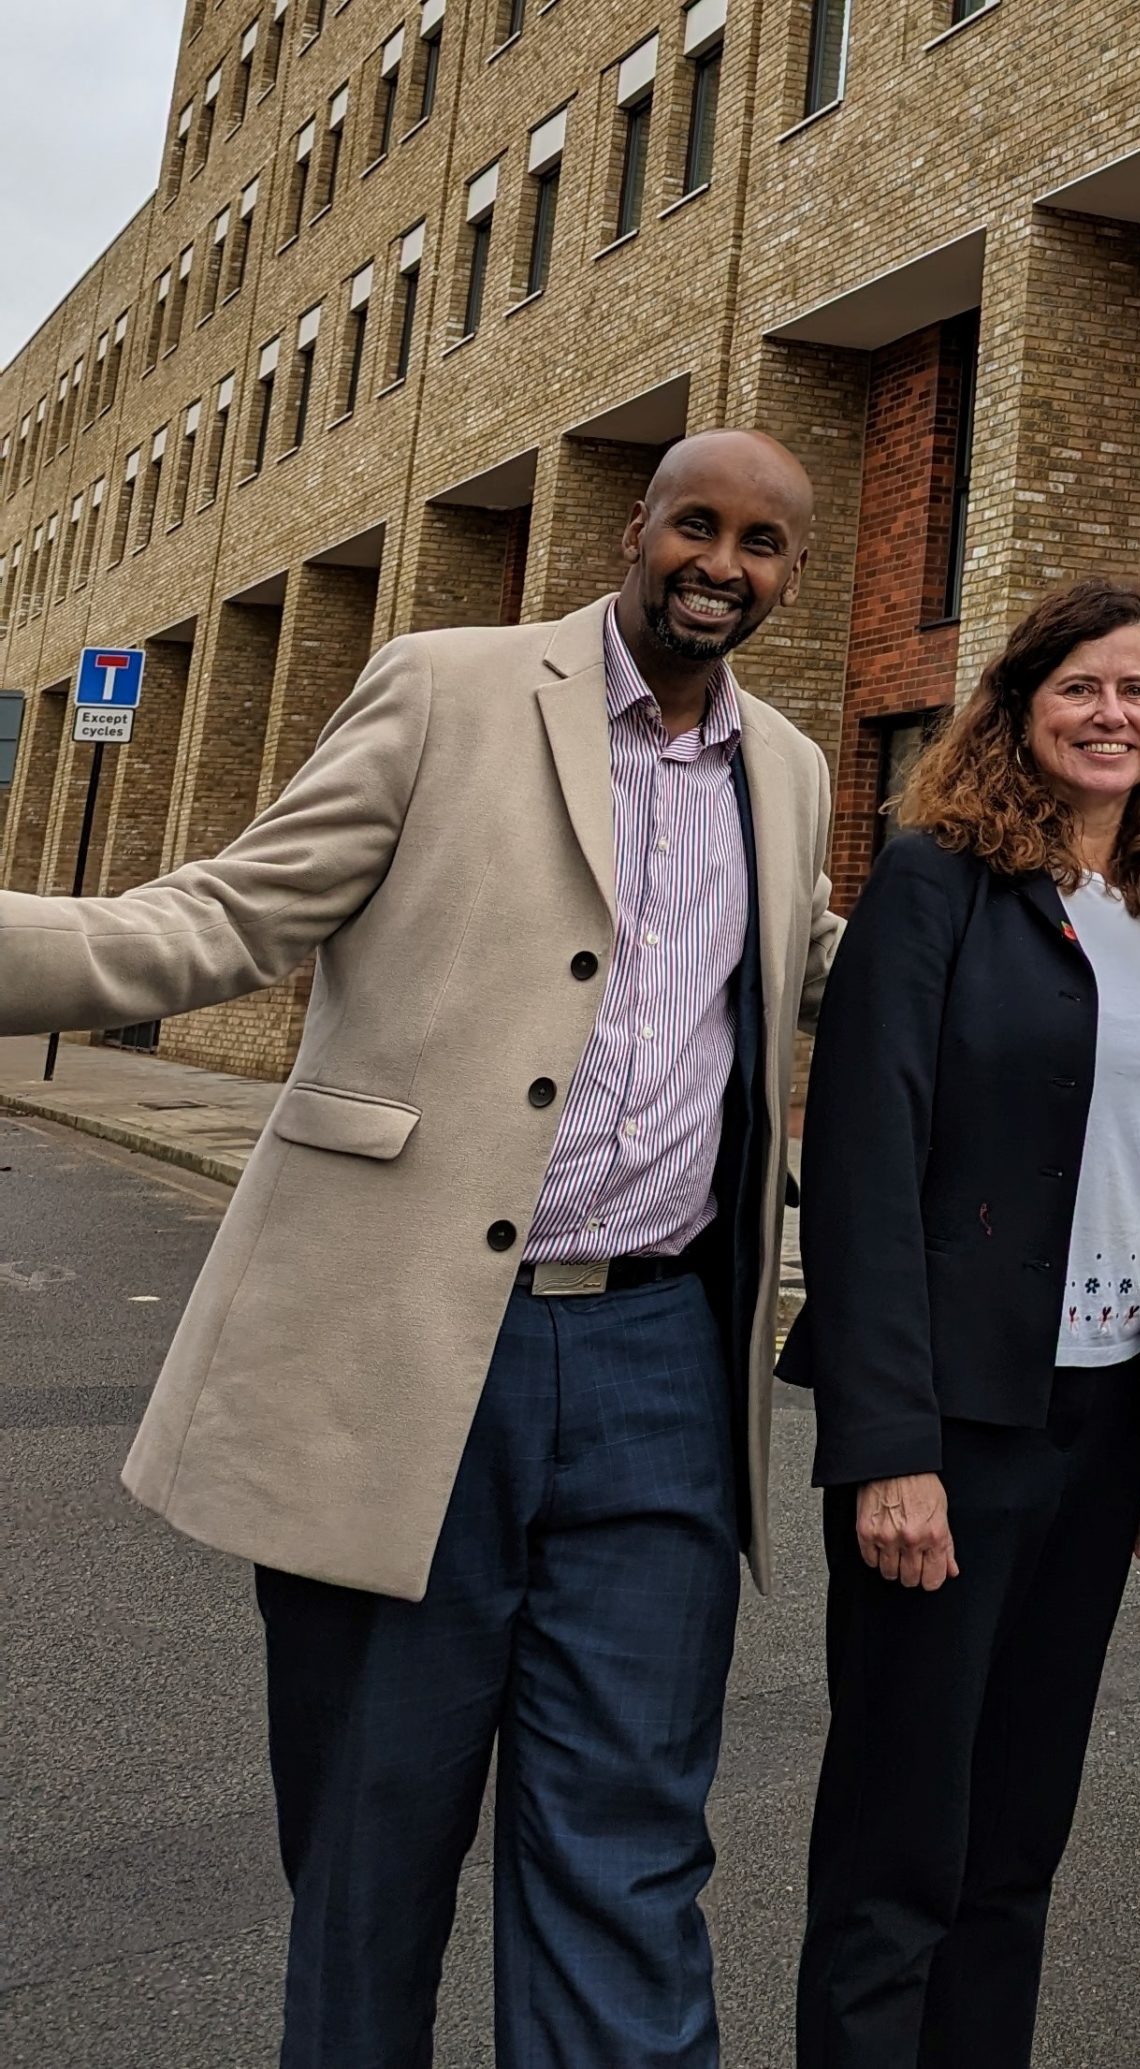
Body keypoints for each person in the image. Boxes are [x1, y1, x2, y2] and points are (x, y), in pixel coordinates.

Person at [0, 430, 843, 2064]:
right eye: (696, 525)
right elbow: (222, 918)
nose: (721, 564)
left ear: (794, 570)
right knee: (375, 1847)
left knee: (632, 1846)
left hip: (667, 1361)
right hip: (415, 1350)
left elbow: (830, 975)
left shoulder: (789, 771)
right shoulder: (448, 687)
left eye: (761, 542)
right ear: (634, 530)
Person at [783, 576, 1140, 2068]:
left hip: (1102, 1431)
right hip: (953, 1425)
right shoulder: (935, 879)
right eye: (1081, 687)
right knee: (901, 1842)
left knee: (1020, 1840)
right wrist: (886, 1444)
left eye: (1139, 691)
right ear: (1022, 709)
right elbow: (862, 1166)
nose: (1113, 714)